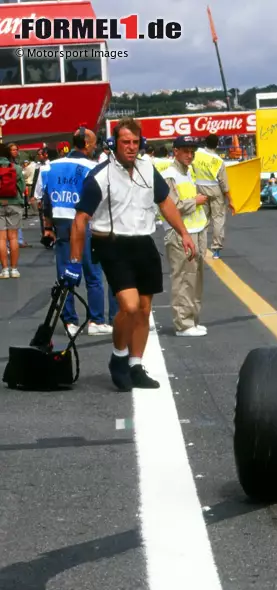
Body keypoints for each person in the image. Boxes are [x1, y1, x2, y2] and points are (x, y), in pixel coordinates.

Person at [62, 117, 197, 392]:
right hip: (112, 244)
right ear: (113, 144)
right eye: (126, 142)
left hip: (143, 243)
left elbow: (166, 203)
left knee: (145, 310)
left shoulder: (148, 169)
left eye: (136, 142)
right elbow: (80, 220)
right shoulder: (100, 176)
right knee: (129, 306)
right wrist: (74, 261)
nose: (132, 147)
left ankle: (136, 365)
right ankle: (119, 357)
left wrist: (183, 233)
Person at [42, 126, 115, 335]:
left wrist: (48, 227)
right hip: (87, 224)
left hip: (62, 224)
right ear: (87, 144)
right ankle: (95, 321)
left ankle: (69, 323)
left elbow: (45, 200)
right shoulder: (93, 167)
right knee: (93, 275)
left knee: (66, 276)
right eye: (93, 142)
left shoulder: (50, 167)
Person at [162, 135, 210, 337]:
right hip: (179, 233)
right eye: (186, 151)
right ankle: (183, 323)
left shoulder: (188, 173)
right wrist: (196, 201)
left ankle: (193, 320)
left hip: (197, 230)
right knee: (183, 279)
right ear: (176, 151)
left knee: (196, 279)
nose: (190, 155)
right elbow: (172, 206)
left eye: (192, 151)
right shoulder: (169, 174)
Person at [192, 133, 234, 259]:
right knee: (218, 219)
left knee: (202, 220)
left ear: (205, 142)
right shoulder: (219, 161)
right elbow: (224, 183)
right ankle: (216, 249)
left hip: (199, 189)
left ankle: (201, 249)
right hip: (215, 190)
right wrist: (230, 200)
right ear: (217, 145)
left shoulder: (197, 154)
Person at [0, 143, 23, 278]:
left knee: (1, 239)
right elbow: (21, 186)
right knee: (13, 237)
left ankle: (4, 269)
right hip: (14, 203)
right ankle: (14, 269)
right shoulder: (17, 168)